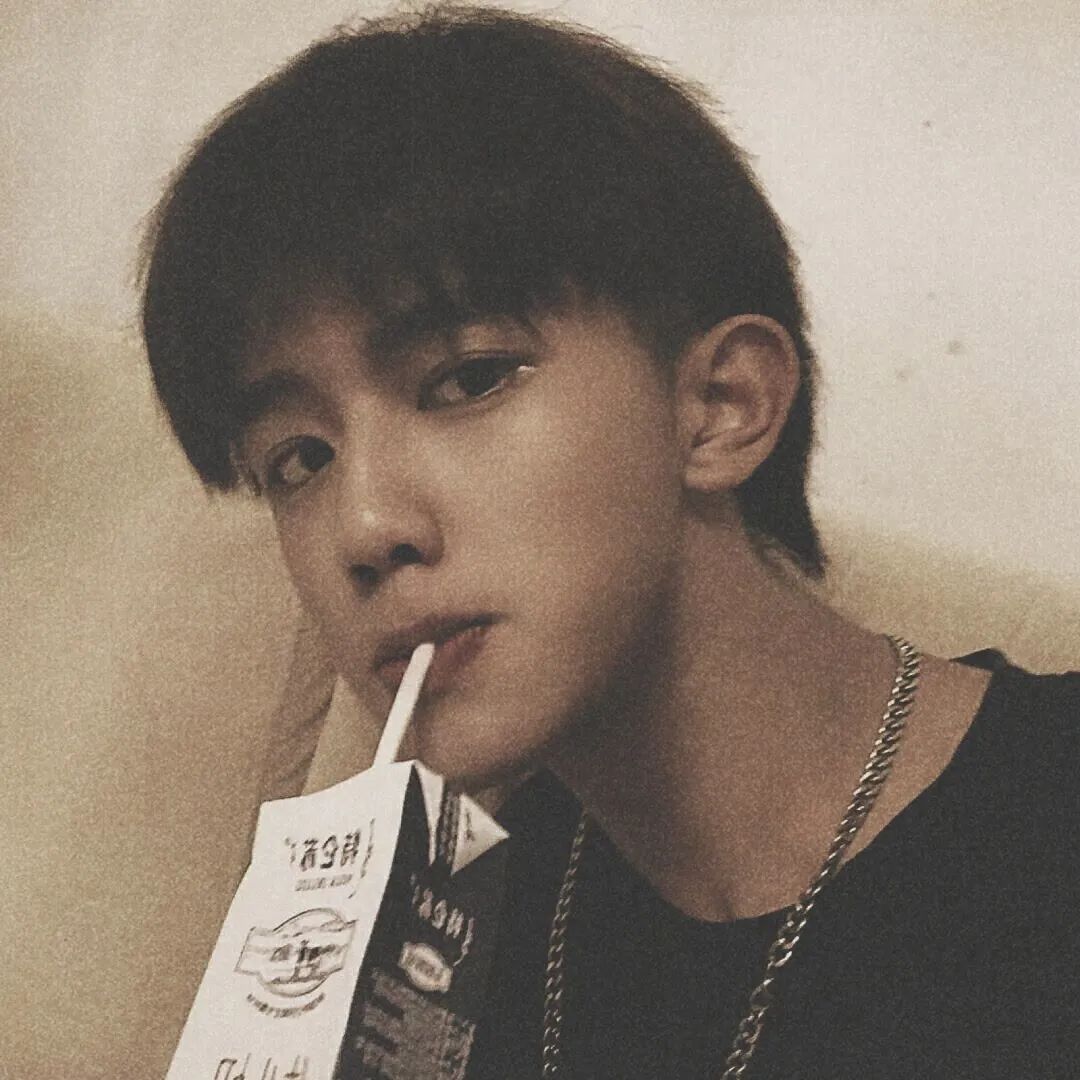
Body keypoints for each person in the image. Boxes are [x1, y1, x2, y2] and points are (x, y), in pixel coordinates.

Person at [139, 6, 1080, 1077]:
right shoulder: (444, 965)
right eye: (297, 459)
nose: (364, 527)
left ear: (720, 406)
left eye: (467, 379)